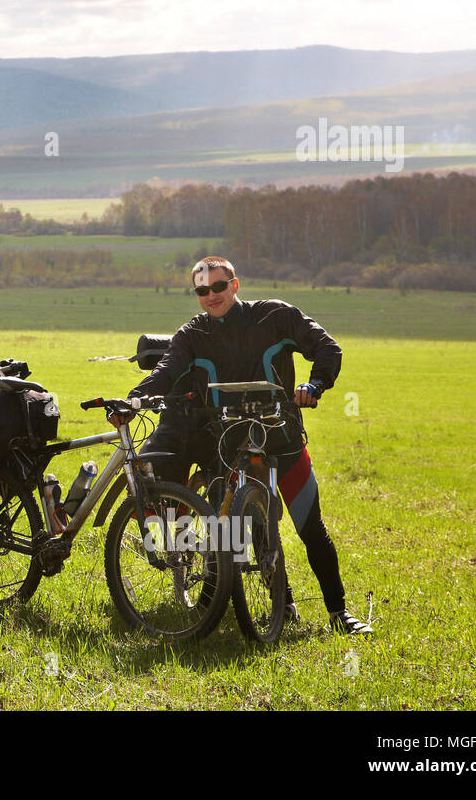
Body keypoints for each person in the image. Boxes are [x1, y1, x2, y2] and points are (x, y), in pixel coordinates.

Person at [111, 256, 373, 635]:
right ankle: (273, 601)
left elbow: (327, 347)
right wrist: (133, 400)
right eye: (203, 290)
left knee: (309, 526)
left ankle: (339, 613)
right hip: (229, 445)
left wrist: (314, 387)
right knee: (234, 530)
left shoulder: (275, 316)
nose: (212, 296)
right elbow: (167, 371)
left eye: (219, 287)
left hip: (281, 437)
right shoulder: (192, 334)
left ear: (235, 285)